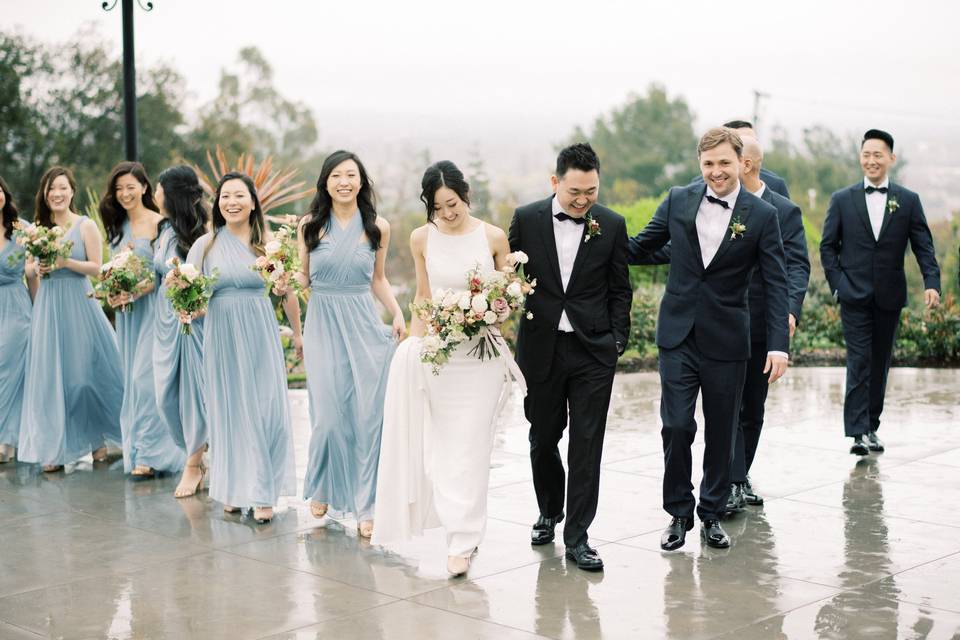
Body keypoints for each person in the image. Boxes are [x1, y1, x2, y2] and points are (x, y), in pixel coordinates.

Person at [628, 128, 790, 551]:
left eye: (724, 163)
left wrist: (778, 345)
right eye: (708, 164)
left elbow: (777, 283)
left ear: (742, 163)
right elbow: (642, 246)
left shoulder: (761, 215)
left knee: (722, 431)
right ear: (699, 164)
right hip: (678, 333)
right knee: (677, 425)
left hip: (728, 338)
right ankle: (678, 512)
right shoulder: (679, 198)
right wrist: (595, 233)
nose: (716, 172)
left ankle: (712, 513)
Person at [373, 161, 514, 577]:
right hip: (440, 356)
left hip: (481, 357)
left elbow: (507, 299)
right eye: (437, 208)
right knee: (443, 447)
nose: (447, 213)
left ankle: (463, 540)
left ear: (465, 195)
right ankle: (454, 526)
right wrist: (416, 346)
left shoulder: (493, 237)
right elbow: (423, 296)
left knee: (472, 446)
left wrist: (498, 314)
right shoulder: (421, 239)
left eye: (451, 204)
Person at [508, 143, 632, 571]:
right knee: (543, 436)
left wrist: (616, 340)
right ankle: (548, 509)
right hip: (540, 348)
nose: (582, 201)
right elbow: (507, 274)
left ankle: (578, 536)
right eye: (574, 192)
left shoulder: (612, 225)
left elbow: (620, 288)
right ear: (555, 182)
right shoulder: (526, 220)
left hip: (593, 351)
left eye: (591, 192)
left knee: (586, 444)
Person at [297, 151, 404, 538]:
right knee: (327, 415)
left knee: (366, 417)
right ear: (325, 181)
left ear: (361, 182)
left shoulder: (378, 227)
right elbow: (303, 279)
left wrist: (396, 312)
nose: (344, 181)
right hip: (323, 323)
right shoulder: (310, 226)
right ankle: (322, 483)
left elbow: (378, 279)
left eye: (352, 175)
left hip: (362, 323)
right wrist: (282, 280)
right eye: (337, 175)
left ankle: (367, 504)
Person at [185, 172, 302, 523]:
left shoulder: (269, 243)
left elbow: (288, 291)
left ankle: (263, 492)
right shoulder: (204, 245)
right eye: (224, 197)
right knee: (230, 409)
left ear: (253, 201)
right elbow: (189, 294)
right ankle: (234, 490)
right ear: (217, 204)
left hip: (260, 329)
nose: (231, 202)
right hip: (221, 332)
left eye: (239, 196)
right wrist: (187, 308)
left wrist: (298, 333)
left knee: (266, 409)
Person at [820, 129, 940, 456]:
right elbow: (828, 247)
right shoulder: (842, 200)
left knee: (879, 362)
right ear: (860, 158)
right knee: (859, 360)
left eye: (878, 155)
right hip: (853, 296)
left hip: (889, 295)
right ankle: (857, 432)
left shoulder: (908, 201)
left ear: (891, 158)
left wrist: (931, 283)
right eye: (866, 155)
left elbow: (924, 247)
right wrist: (838, 286)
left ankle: (871, 425)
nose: (871, 160)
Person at [18, 167, 124, 472]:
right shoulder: (39, 228)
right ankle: (54, 449)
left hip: (79, 303)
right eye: (51, 189)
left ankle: (97, 440)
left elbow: (97, 267)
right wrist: (37, 270)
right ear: (45, 194)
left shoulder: (85, 225)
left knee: (82, 378)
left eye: (62, 188)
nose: (57, 194)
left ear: (72, 191)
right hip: (48, 307)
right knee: (51, 379)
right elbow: (27, 269)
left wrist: (65, 262)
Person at [100, 162, 185, 478]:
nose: (124, 193)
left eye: (130, 186)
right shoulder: (116, 228)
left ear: (145, 188)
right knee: (133, 385)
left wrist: (135, 292)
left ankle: (150, 456)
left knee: (146, 381)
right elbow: (112, 271)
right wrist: (112, 293)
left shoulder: (160, 224)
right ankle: (140, 449)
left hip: (155, 312)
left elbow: (162, 272)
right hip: (128, 317)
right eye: (118, 188)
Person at [152, 165, 209, 497]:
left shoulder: (198, 236)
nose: (155, 193)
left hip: (189, 319)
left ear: (170, 193)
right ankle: (197, 450)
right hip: (164, 322)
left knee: (191, 394)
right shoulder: (164, 231)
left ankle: (193, 463)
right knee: (165, 397)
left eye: (159, 188)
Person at [0, 176, 38, 463]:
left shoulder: (22, 229)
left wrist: (40, 311)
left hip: (16, 306)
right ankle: (8, 440)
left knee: (8, 367)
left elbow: (33, 275)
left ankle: (4, 439)